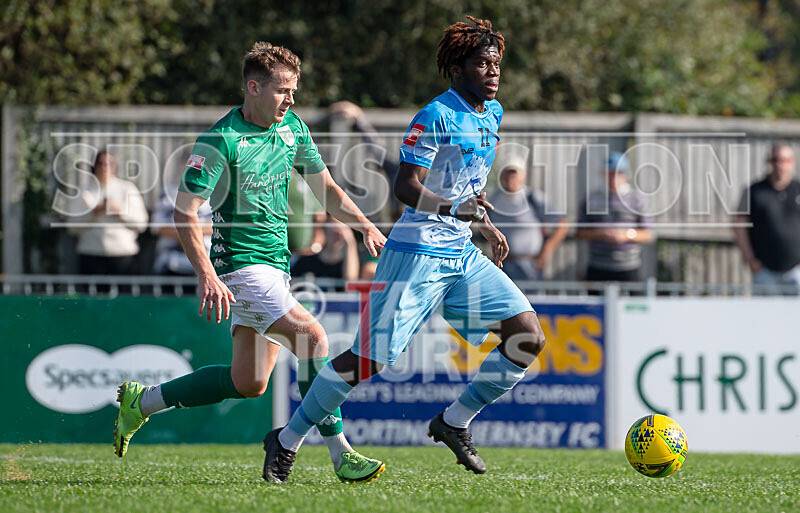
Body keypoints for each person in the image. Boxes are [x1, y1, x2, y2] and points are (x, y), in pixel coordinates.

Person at [263, 16, 546, 480]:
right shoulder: (435, 115)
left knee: (526, 337)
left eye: (496, 63)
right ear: (457, 68)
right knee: (368, 360)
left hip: (461, 253)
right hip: (416, 253)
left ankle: (454, 422)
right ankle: (287, 439)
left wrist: (485, 224)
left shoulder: (492, 113)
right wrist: (455, 210)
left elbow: (466, 185)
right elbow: (405, 186)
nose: (493, 71)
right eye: (482, 63)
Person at [112, 42, 387, 484]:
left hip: (277, 267)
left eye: (294, 90)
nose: (291, 99)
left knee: (250, 381)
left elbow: (327, 190)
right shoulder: (220, 139)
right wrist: (207, 275)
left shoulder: (293, 128)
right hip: (240, 269)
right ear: (253, 88)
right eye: (282, 90)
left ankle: (142, 402)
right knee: (313, 339)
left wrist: (364, 225)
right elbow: (185, 212)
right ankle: (341, 454)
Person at [733, 143, 800, 294]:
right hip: (765, 272)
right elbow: (739, 226)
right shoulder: (753, 191)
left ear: (792, 162)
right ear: (769, 161)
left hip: (796, 272)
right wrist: (751, 260)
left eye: (785, 160)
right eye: (776, 159)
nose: (780, 164)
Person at [577, 151, 653, 284]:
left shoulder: (637, 199)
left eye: (618, 173)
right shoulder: (591, 199)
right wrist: (601, 234)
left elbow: (648, 234)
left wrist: (627, 235)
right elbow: (580, 232)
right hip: (597, 266)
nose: (613, 178)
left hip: (629, 267)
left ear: (625, 174)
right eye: (610, 173)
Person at [487, 158, 568, 281]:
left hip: (530, 267)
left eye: (514, 173)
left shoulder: (533, 197)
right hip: (502, 265)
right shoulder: (492, 198)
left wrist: (547, 251)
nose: (510, 177)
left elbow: (562, 223)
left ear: (523, 176)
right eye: (507, 172)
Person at [71, 150, 148, 275]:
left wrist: (119, 210)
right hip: (91, 254)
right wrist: (94, 213)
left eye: (109, 164)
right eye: (100, 163)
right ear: (94, 166)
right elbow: (72, 227)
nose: (104, 167)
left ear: (115, 166)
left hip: (123, 255)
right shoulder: (84, 191)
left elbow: (141, 223)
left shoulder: (127, 188)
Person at [151, 186, 213, 279]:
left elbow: (218, 226)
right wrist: (185, 235)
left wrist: (188, 234)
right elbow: (157, 227)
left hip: (207, 262)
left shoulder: (214, 194)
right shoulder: (168, 193)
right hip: (169, 263)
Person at [291, 214, 360, 286]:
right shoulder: (306, 261)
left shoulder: (348, 263)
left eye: (341, 233)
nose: (336, 236)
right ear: (325, 231)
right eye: (333, 231)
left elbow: (350, 283)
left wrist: (351, 243)